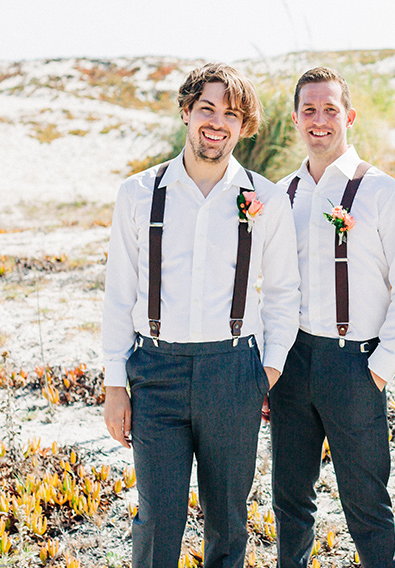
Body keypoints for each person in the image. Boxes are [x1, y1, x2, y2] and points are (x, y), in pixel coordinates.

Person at [101, 63, 301, 568]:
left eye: (231, 115)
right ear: (187, 111)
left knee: (229, 523)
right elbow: (119, 292)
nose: (217, 123)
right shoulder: (138, 193)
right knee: (156, 519)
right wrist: (114, 383)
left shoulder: (267, 198)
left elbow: (283, 292)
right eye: (207, 109)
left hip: (234, 371)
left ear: (243, 126)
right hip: (155, 371)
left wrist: (268, 371)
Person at [269, 67, 395, 568]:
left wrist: (381, 368)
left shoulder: (383, 193)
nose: (319, 120)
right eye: (309, 110)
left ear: (350, 116)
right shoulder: (279, 195)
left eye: (330, 109)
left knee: (366, 503)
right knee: (290, 499)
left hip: (355, 366)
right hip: (291, 365)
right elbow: (266, 289)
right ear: (296, 118)